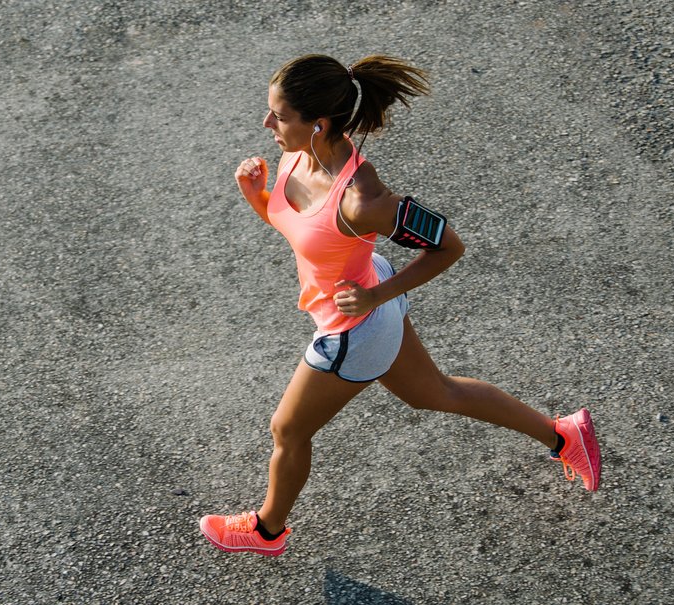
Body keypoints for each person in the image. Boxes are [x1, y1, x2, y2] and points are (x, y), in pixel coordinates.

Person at [198, 54, 601, 557]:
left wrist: (373, 296)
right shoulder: (296, 157)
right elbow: (303, 235)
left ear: (318, 123)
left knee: (288, 428)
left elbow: (449, 246)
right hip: (365, 305)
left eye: (277, 115)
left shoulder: (364, 200)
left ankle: (266, 530)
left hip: (355, 328)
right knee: (436, 392)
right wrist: (255, 196)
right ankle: (565, 436)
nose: (266, 124)